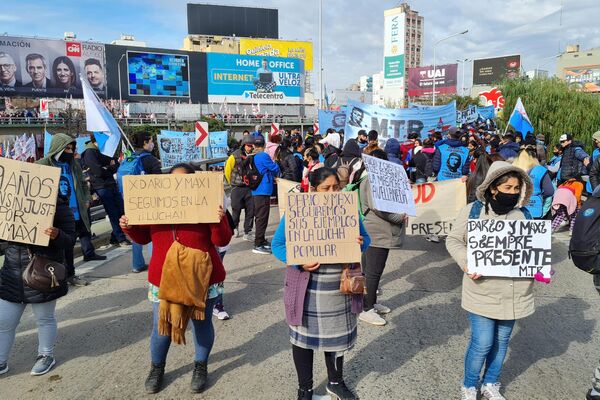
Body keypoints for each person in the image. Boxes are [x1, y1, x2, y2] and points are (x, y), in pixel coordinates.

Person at [120, 163, 232, 394]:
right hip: (164, 277)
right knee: (162, 328)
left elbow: (221, 240)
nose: (178, 185)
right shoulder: (156, 205)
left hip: (203, 277)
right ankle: (157, 368)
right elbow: (142, 238)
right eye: (173, 181)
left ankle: (200, 366)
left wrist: (218, 218)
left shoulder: (207, 204)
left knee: (202, 324)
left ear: (194, 182)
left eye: (184, 181)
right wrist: (128, 227)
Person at [272, 167, 371, 400]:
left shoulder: (348, 209)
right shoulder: (298, 211)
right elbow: (278, 245)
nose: (332, 192)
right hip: (307, 289)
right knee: (303, 340)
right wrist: (298, 261)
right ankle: (304, 388)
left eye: (336, 187)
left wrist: (359, 242)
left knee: (336, 339)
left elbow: (366, 239)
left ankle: (335, 382)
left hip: (339, 288)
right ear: (313, 189)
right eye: (326, 188)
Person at [446, 161, 535, 400]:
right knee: (483, 342)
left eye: (517, 188)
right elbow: (453, 240)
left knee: (502, 341)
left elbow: (531, 249)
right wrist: (467, 262)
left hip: (514, 292)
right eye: (507, 187)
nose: (513, 193)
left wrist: (540, 266)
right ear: (493, 188)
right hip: (482, 290)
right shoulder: (473, 211)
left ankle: (491, 383)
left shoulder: (523, 215)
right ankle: (469, 385)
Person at [0, 184, 76, 377]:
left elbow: (69, 240)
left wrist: (56, 234)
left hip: (42, 272)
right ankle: (1, 361)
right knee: (4, 322)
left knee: (44, 319)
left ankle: (46, 355)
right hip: (12, 273)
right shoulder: (9, 204)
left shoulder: (59, 206)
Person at [37, 133, 105, 286]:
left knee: (68, 246)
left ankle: (70, 275)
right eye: (66, 148)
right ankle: (51, 277)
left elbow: (81, 183)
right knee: (54, 248)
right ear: (57, 148)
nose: (69, 151)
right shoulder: (43, 163)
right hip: (55, 214)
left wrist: (87, 199)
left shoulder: (73, 165)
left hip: (74, 212)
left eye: (71, 148)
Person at [358, 149, 405, 326]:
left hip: (377, 231)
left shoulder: (371, 178)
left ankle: (369, 302)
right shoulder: (371, 179)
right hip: (376, 232)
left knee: (371, 269)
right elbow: (378, 207)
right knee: (373, 271)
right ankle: (366, 309)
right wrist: (399, 217)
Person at [81, 134, 132, 247]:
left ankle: (115, 236)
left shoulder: (104, 151)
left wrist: (108, 168)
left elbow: (115, 164)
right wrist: (109, 167)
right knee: (113, 212)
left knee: (121, 210)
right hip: (101, 186)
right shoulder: (90, 152)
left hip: (111, 184)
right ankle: (120, 238)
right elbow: (98, 171)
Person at [128, 132, 162, 272]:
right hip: (150, 201)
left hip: (132, 200)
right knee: (152, 232)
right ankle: (155, 263)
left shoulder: (130, 158)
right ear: (145, 143)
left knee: (136, 231)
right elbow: (160, 182)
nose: (153, 144)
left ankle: (137, 264)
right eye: (151, 141)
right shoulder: (151, 160)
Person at [251, 135, 280, 255]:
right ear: (263, 145)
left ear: (253, 145)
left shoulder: (252, 156)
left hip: (256, 189)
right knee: (262, 218)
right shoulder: (263, 155)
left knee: (259, 216)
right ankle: (258, 244)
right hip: (263, 189)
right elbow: (275, 168)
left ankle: (261, 240)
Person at [224, 135, 255, 240]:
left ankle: (248, 232)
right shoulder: (234, 156)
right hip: (236, 188)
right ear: (244, 145)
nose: (250, 148)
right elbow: (227, 171)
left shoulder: (254, 155)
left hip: (249, 188)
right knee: (236, 210)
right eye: (248, 146)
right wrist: (232, 184)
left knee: (250, 211)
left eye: (252, 146)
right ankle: (235, 227)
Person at [513, 146, 554, 219]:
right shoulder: (540, 170)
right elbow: (550, 191)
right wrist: (540, 196)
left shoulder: (512, 169)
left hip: (514, 207)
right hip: (534, 207)